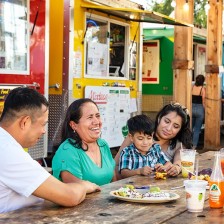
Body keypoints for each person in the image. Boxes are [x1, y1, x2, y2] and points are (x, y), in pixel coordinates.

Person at [0, 87, 100, 213]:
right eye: (42, 124)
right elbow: (69, 196)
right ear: (25, 122)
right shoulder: (9, 152)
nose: (44, 131)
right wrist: (85, 185)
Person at [115, 103, 192, 178]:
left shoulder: (178, 145)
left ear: (180, 129)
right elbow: (114, 165)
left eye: (175, 126)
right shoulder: (137, 135)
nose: (168, 128)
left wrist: (174, 168)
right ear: (159, 118)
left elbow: (178, 162)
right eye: (167, 121)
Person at [52, 98, 116, 186]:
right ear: (74, 125)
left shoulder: (103, 145)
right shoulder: (67, 151)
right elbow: (75, 190)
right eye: (90, 117)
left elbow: (114, 181)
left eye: (97, 116)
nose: (97, 122)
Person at [192, 74, 206, 149]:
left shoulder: (192, 87)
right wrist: (205, 111)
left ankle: (187, 144)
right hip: (199, 109)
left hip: (191, 108)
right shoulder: (202, 89)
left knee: (190, 128)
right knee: (197, 129)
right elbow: (203, 102)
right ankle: (194, 146)